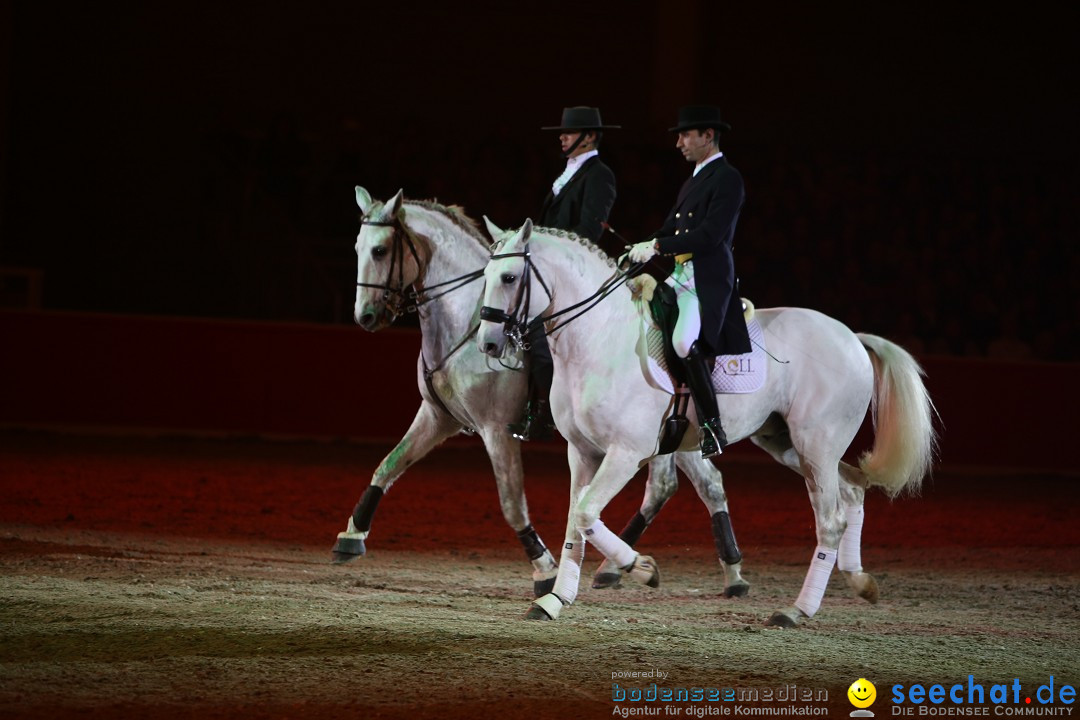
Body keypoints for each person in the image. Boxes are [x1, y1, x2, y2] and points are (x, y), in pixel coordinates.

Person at [628, 105, 751, 458]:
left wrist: (658, 246)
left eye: (685, 135)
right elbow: (670, 228)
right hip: (681, 274)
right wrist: (640, 247)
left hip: (707, 277)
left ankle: (712, 426)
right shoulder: (694, 179)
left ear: (707, 136)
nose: (679, 142)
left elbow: (710, 235)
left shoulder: (728, 178)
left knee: (683, 341)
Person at [509, 106, 620, 441]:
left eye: (569, 133)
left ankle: (548, 411)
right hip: (550, 267)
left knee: (539, 333)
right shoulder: (570, 172)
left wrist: (549, 250)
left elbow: (588, 228)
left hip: (573, 272)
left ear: (588, 137)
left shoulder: (599, 174)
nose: (562, 136)